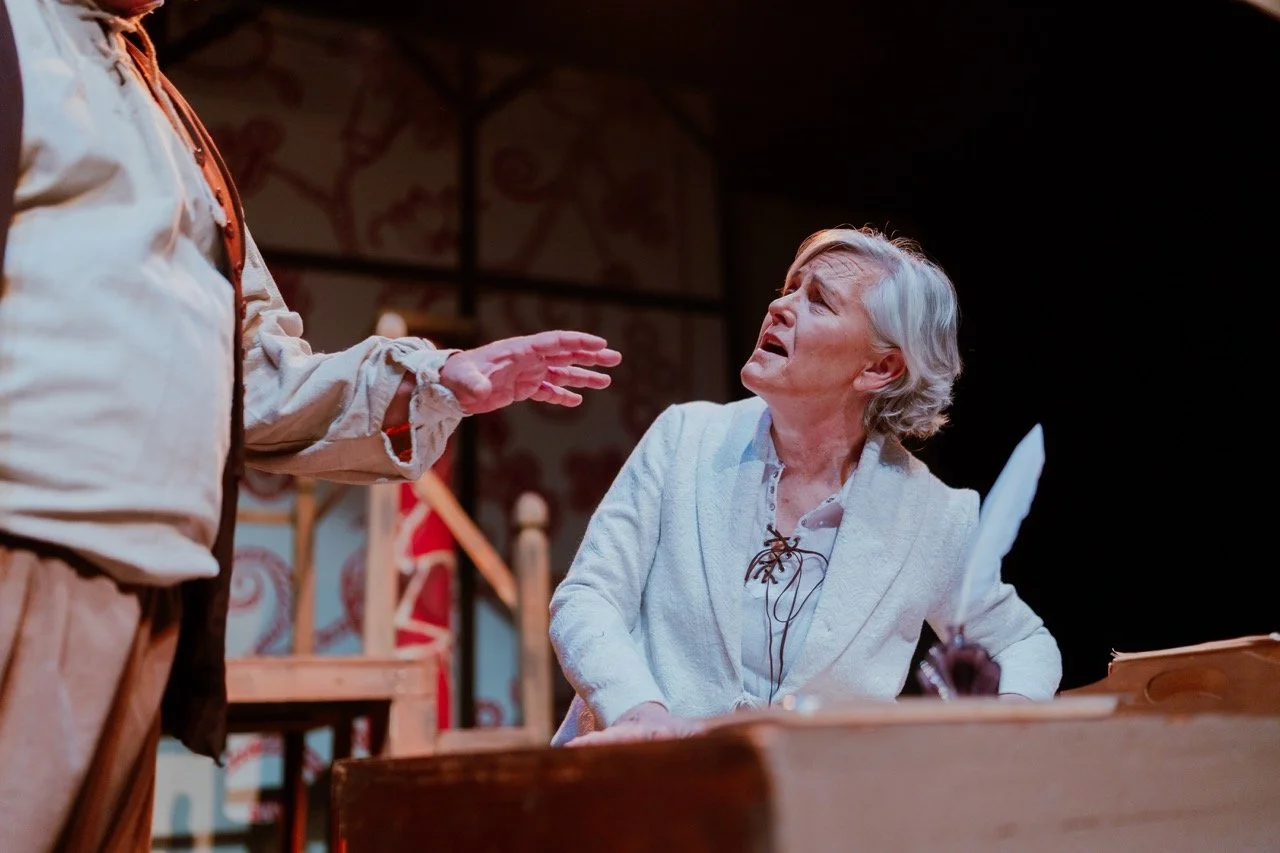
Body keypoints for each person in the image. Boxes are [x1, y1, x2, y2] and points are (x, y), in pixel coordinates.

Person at [0, 0, 620, 848]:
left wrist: (439, 379)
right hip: (25, 539)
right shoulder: (18, 35)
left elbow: (258, 370)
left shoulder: (170, 115)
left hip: (155, 580)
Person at [549, 225, 1061, 747]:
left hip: (816, 810)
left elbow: (1023, 644)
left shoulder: (930, 516)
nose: (782, 308)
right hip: (647, 788)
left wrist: (1002, 729)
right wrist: (640, 713)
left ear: (880, 368)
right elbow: (589, 597)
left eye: (818, 301)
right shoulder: (685, 439)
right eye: (788, 289)